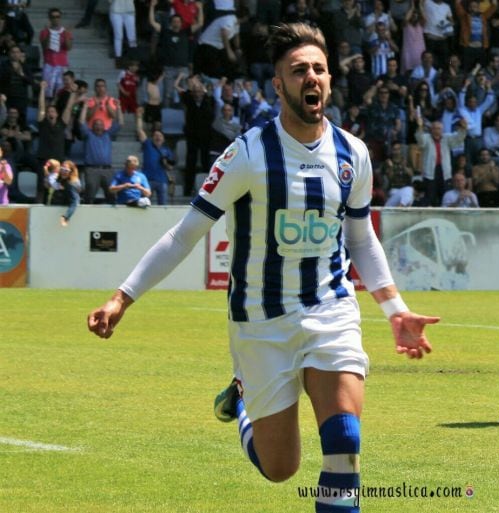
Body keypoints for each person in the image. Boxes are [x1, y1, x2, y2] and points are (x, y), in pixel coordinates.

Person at [87, 23, 439, 511]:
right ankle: (245, 402)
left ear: (330, 80)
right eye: (298, 71)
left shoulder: (353, 154)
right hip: (260, 322)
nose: (310, 77)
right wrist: (121, 296)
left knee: (344, 437)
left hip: (330, 310)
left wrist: (395, 310)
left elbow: (361, 238)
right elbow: (183, 234)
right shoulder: (246, 154)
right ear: (278, 85)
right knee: (281, 468)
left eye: (318, 69)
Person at [136, 106, 175, 205]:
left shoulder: (167, 151)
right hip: (147, 179)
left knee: (163, 205)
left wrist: (165, 164)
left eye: (160, 136)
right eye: (155, 136)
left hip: (162, 180)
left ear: (163, 139)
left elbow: (170, 167)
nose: (158, 137)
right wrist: (139, 117)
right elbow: (140, 131)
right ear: (152, 137)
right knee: (144, 203)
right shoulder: (148, 144)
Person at [39, 8, 73, 100]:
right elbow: (45, 47)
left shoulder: (66, 32)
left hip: (62, 65)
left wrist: (66, 35)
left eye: (57, 17)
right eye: (53, 17)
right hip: (49, 64)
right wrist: (49, 32)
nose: (55, 19)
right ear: (50, 18)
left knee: (61, 92)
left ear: (60, 18)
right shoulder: (44, 32)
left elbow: (68, 47)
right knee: (47, 92)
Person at [50, 160, 82, 226]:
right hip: (55, 205)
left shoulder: (72, 184)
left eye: (66, 170)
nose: (63, 172)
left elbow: (75, 202)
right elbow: (52, 182)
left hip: (65, 207)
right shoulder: (60, 178)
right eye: (62, 169)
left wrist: (66, 217)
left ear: (71, 172)